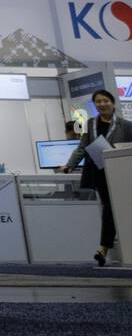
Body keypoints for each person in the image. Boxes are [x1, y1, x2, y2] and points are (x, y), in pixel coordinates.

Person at [61, 89, 132, 266]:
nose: (102, 104)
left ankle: (104, 248)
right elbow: (82, 147)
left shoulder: (126, 125)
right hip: (100, 172)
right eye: (98, 102)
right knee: (110, 207)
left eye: (105, 101)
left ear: (113, 102)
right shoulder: (90, 124)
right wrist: (70, 165)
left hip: (121, 173)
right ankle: (104, 247)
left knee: (114, 208)